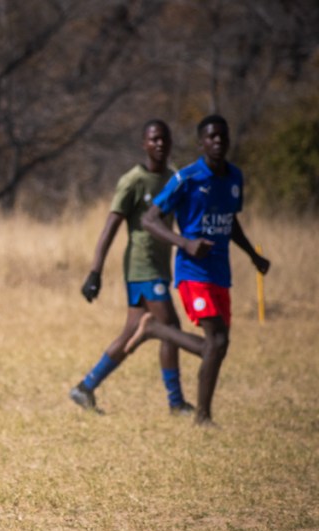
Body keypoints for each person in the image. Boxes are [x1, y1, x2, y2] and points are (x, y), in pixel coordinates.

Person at [127, 114, 270, 425]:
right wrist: (185, 243)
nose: (218, 141)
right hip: (193, 273)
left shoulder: (234, 178)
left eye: (223, 136)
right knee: (215, 342)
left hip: (221, 273)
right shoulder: (187, 179)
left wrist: (251, 256)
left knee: (220, 346)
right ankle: (155, 330)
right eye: (211, 137)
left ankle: (203, 415)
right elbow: (148, 221)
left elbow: (231, 223)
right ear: (201, 143)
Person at [70, 120, 195, 415]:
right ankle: (176, 403)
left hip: (162, 266)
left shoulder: (174, 179)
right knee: (170, 328)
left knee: (131, 333)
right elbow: (110, 227)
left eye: (164, 139)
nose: (160, 144)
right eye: (154, 139)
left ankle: (85, 387)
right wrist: (95, 271)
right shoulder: (133, 181)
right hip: (142, 266)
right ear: (144, 144)